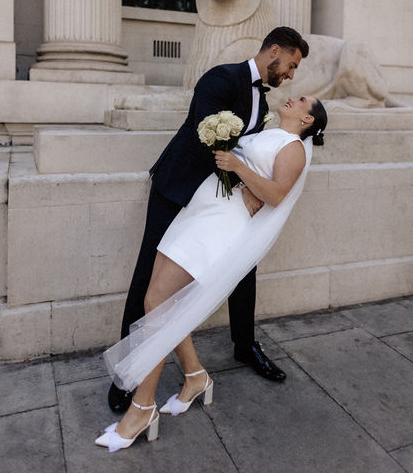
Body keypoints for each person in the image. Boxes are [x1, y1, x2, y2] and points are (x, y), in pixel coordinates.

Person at [95, 94, 328, 452]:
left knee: (157, 301)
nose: (292, 98)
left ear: (308, 120)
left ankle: (142, 409)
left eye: (301, 101)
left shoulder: (294, 147)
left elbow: (277, 195)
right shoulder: (267, 129)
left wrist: (239, 168)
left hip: (222, 225)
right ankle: (195, 377)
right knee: (161, 302)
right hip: (201, 210)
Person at [108, 27, 310, 414]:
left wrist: (249, 190)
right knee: (148, 276)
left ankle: (245, 345)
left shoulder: (263, 105)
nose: (291, 74)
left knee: (242, 269)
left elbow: (246, 151)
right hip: (179, 188)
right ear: (274, 51)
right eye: (291, 64)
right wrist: (246, 186)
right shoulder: (221, 78)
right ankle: (126, 376)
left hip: (219, 203)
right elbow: (209, 140)